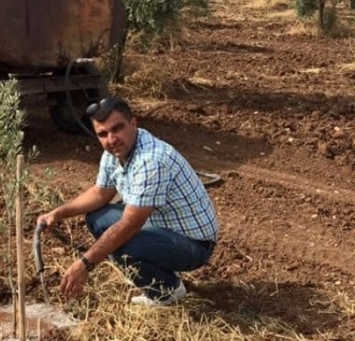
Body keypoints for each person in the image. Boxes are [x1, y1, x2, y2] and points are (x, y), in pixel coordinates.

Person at [37, 97, 219, 306]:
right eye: (103, 134)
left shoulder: (151, 160)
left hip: (194, 244)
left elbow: (130, 225)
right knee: (98, 218)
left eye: (117, 128)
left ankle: (168, 292)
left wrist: (85, 264)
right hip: (164, 227)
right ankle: (150, 272)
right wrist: (57, 213)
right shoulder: (115, 152)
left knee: (122, 243)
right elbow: (100, 194)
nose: (111, 139)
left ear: (133, 124)